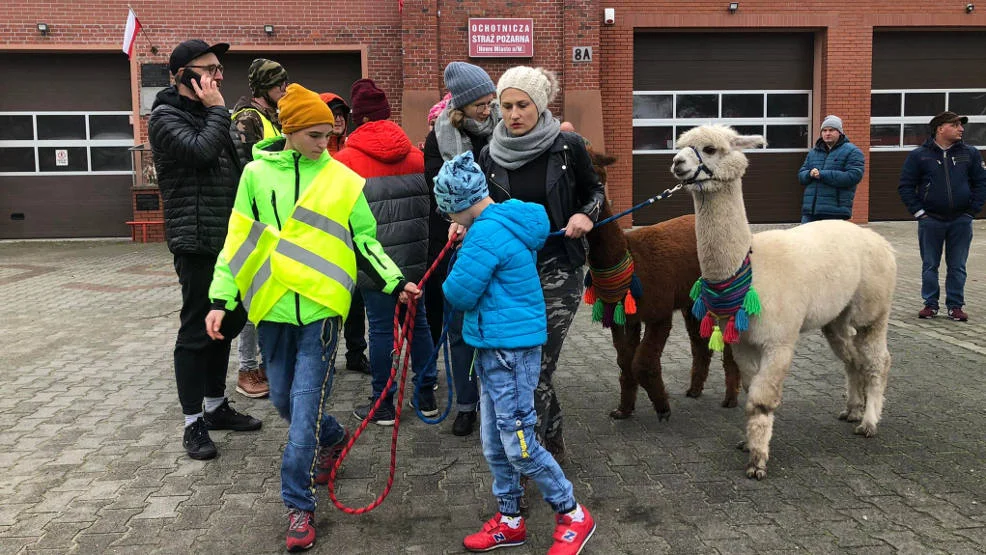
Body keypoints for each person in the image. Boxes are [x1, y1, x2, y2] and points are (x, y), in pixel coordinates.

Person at [206, 83, 420, 552]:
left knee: (301, 413)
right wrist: (222, 298)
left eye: (330, 134)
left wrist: (393, 279)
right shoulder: (256, 177)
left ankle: (298, 505)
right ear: (291, 130)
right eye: (316, 135)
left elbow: (366, 238)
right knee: (282, 401)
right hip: (271, 307)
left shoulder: (342, 178)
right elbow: (237, 240)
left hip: (323, 310)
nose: (326, 143)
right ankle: (335, 435)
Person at [436, 151, 596, 555]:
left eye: (449, 214)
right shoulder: (501, 222)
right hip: (497, 349)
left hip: (508, 351)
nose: (450, 222)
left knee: (519, 442)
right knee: (495, 441)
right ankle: (510, 519)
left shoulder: (485, 235)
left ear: (457, 205)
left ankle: (572, 513)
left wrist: (461, 247)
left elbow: (457, 292)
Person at [476, 66, 605, 461]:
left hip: (558, 269)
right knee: (524, 369)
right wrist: (461, 225)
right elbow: (480, 207)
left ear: (540, 104)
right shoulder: (488, 153)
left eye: (522, 105)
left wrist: (587, 215)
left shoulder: (567, 146)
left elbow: (595, 190)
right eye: (506, 105)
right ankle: (552, 438)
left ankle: (532, 457)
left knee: (534, 368)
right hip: (510, 273)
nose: (513, 114)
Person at [148, 39, 261, 461]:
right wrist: (217, 110)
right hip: (196, 239)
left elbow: (235, 165)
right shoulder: (164, 117)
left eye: (218, 69)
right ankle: (192, 422)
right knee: (197, 330)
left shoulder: (215, 115)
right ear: (182, 75)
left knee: (227, 323)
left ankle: (215, 407)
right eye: (208, 68)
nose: (217, 76)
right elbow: (200, 152)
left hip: (229, 239)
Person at [335, 78, 438, 425]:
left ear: (358, 118)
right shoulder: (418, 157)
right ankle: (426, 397)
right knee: (418, 326)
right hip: (416, 260)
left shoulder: (343, 161)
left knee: (380, 330)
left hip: (373, 264)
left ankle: (383, 405)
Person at [423, 61, 498, 436]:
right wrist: (459, 220)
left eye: (490, 102)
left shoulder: (502, 132)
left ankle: (498, 399)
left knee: (497, 323)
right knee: (458, 328)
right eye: (480, 104)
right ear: (461, 106)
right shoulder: (439, 137)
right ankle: (467, 403)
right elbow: (439, 190)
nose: (488, 110)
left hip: (495, 238)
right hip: (454, 241)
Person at [230, 58, 290, 399]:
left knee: (271, 296)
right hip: (257, 219)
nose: (284, 89)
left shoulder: (274, 118)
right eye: (279, 84)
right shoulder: (247, 120)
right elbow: (247, 171)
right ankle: (247, 369)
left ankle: (268, 364)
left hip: (277, 216)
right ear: (263, 87)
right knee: (253, 299)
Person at [899, 110, 986, 322]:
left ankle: (955, 306)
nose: (961, 129)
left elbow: (981, 183)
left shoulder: (970, 153)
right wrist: (920, 213)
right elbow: (906, 186)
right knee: (930, 264)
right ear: (940, 128)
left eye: (961, 125)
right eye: (955, 125)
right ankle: (930, 304)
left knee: (958, 265)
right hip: (931, 220)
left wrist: (971, 212)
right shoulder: (919, 155)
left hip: (960, 220)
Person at [320, 91, 370, 374]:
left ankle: (355, 353)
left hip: (352, 236)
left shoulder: (352, 148)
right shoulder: (315, 153)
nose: (338, 118)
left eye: (341, 114)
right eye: (332, 113)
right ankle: (324, 356)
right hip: (325, 238)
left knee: (355, 300)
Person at [797, 115, 865, 224]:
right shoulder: (814, 152)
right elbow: (801, 176)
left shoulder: (853, 151)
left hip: (834, 213)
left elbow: (853, 176)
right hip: (810, 212)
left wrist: (822, 175)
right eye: (824, 130)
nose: (827, 133)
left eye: (831, 130)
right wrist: (809, 174)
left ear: (840, 132)